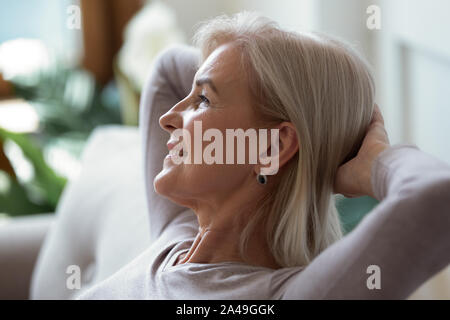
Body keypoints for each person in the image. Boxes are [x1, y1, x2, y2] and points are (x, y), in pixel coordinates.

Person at [78, 12, 450, 299]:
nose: (168, 118)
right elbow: (166, 70)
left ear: (271, 147)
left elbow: (437, 200)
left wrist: (372, 163)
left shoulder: (289, 294)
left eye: (203, 99)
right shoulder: (176, 236)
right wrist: (248, 56)